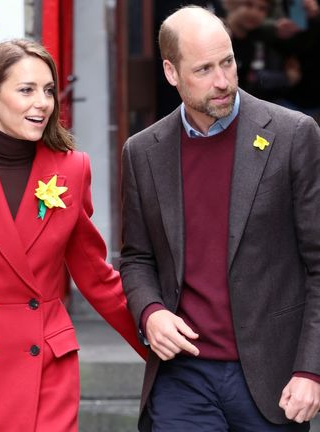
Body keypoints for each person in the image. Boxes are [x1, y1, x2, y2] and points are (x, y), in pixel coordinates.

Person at [0, 39, 146, 432]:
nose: (43, 103)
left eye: (49, 90)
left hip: (47, 367)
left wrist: (154, 341)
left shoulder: (72, 169)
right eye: (26, 90)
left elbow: (95, 276)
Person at [120, 6, 320, 432]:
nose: (223, 81)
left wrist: (311, 370)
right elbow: (136, 257)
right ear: (171, 73)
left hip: (272, 379)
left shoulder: (293, 134)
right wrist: (150, 311)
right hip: (182, 377)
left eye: (227, 61)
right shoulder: (142, 152)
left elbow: (318, 263)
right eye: (204, 69)